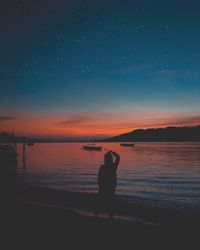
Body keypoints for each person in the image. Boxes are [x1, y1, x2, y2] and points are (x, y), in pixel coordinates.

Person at [95, 150, 120, 219]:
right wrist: (112, 152)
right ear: (111, 159)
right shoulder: (113, 167)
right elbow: (118, 157)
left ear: (105, 160)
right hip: (110, 187)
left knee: (100, 201)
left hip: (103, 187)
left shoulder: (102, 167)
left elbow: (99, 177)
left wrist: (100, 185)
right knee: (110, 202)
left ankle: (96, 214)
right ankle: (110, 216)